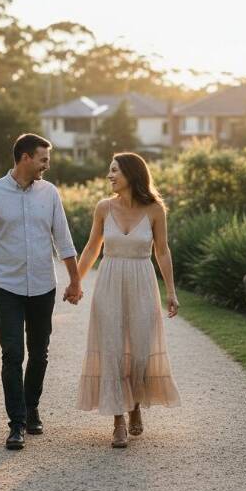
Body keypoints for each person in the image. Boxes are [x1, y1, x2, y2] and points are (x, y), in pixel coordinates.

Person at [0, 133, 83, 450]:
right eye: (43, 159)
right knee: (12, 354)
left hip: (43, 285)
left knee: (39, 352)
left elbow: (63, 240)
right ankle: (16, 424)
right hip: (7, 286)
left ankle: (31, 407)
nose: (47, 165)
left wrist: (75, 280)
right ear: (25, 158)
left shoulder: (50, 193)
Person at [75, 152, 181, 448]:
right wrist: (75, 281)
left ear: (132, 175)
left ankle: (135, 406)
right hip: (109, 282)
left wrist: (171, 291)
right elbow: (92, 248)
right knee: (112, 350)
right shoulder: (103, 207)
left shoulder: (155, 210)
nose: (109, 176)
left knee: (140, 352)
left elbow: (162, 251)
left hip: (142, 283)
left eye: (114, 171)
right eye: (109, 170)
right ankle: (118, 421)